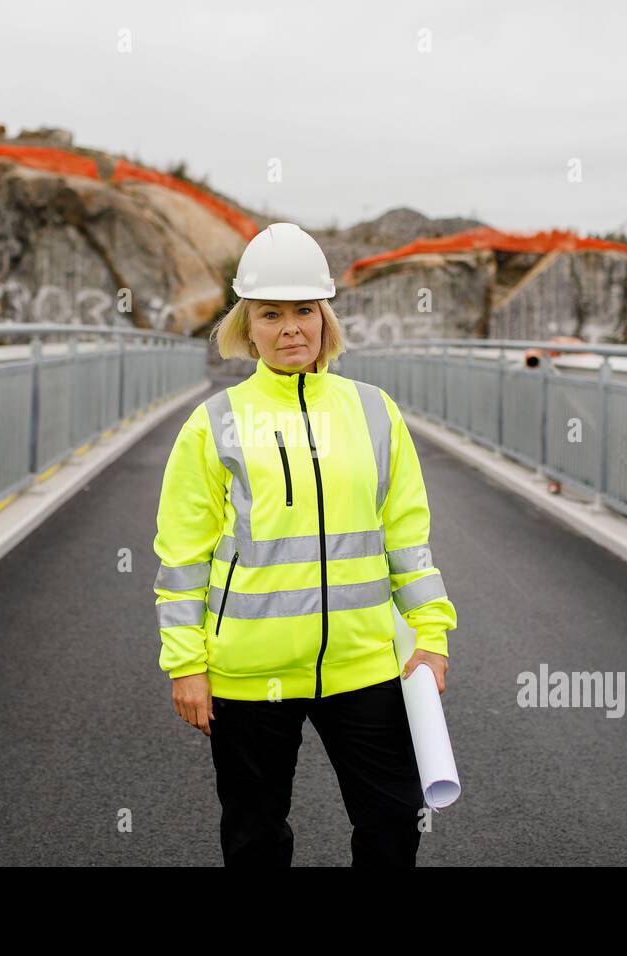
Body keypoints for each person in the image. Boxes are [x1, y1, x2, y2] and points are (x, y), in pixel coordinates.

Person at [152, 221, 457, 867]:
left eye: (304, 312)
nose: (291, 328)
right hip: (249, 671)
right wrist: (186, 663)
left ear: (325, 320)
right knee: (256, 836)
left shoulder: (374, 411)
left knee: (394, 823)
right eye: (271, 314)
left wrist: (430, 635)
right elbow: (182, 557)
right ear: (247, 327)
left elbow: (408, 539)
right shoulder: (215, 424)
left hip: (365, 665)